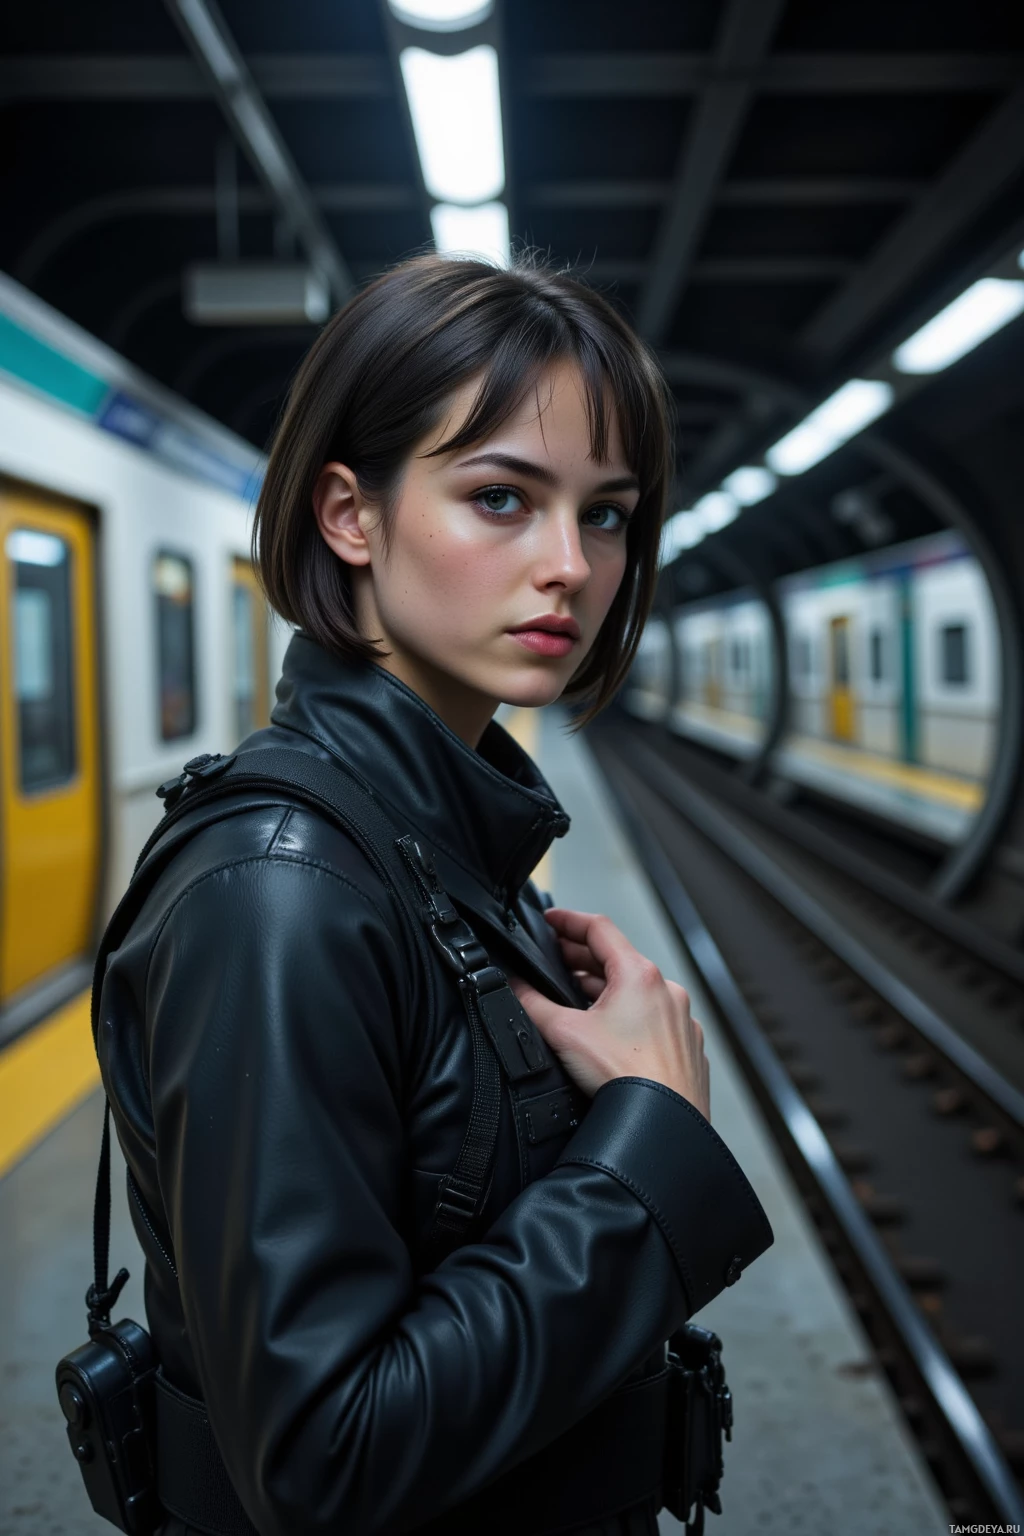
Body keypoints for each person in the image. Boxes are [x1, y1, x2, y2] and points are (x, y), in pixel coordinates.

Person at [97, 254, 773, 1536]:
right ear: (350, 515)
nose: (571, 564)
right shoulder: (279, 896)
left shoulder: (438, 837)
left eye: (609, 513)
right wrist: (648, 1143)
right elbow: (325, 1461)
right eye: (502, 497)